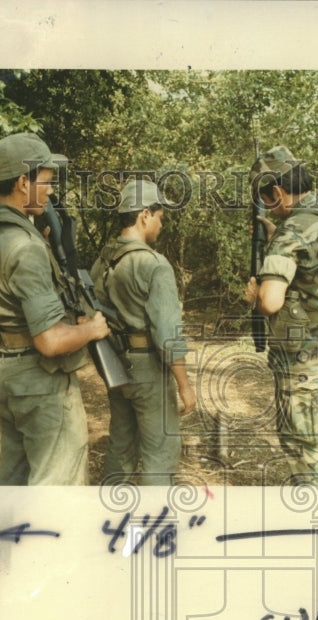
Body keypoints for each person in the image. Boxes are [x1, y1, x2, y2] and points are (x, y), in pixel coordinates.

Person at [0, 133, 109, 486]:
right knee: (57, 491)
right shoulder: (24, 245)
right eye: (45, 182)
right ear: (21, 182)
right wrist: (92, 329)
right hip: (40, 380)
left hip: (7, 375)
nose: (49, 192)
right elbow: (49, 340)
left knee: (15, 482)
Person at [244, 146, 318, 485]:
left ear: (277, 192)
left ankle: (313, 509)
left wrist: (255, 295)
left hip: (305, 351)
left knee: (303, 440)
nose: (269, 209)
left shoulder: (293, 230)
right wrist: (276, 238)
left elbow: (270, 302)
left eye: (267, 200)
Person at [89, 178, 196, 485]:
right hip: (148, 367)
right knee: (159, 452)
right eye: (160, 217)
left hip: (115, 363)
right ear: (145, 215)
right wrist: (184, 385)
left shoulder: (103, 260)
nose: (161, 225)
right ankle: (155, 523)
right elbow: (168, 336)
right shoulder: (154, 265)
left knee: (121, 443)